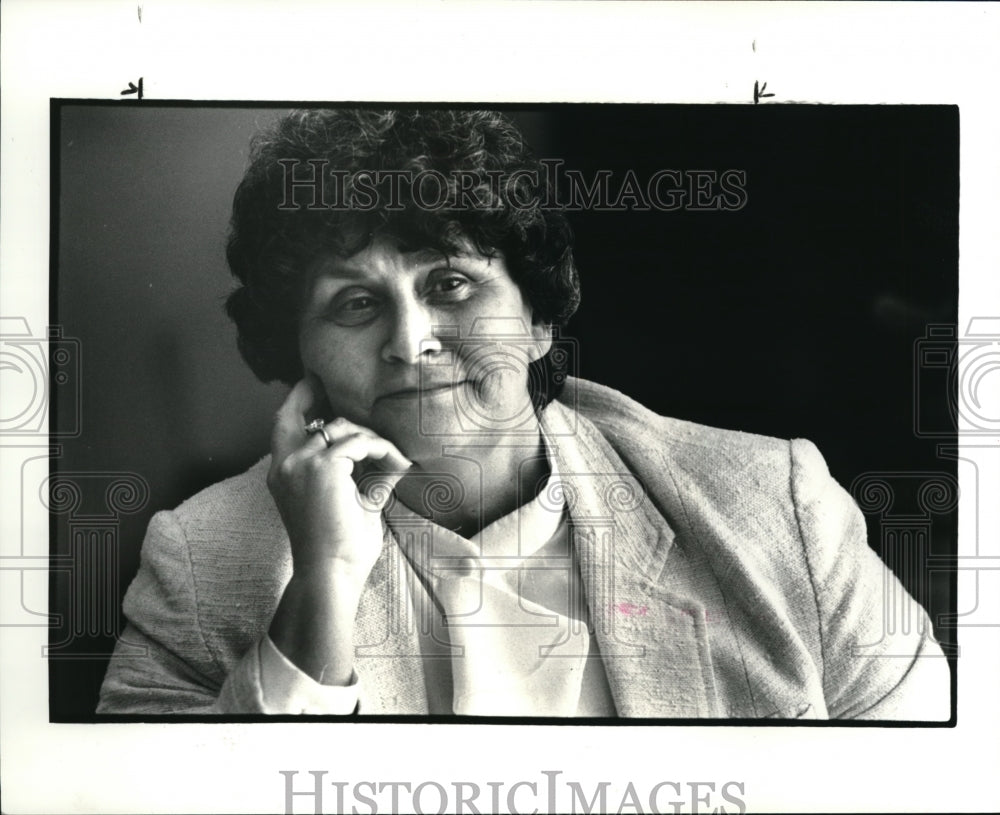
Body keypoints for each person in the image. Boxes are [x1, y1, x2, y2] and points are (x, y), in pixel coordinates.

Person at [97, 109, 949, 718]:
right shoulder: (201, 560)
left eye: (451, 284)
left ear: (539, 318)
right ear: (299, 358)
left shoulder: (774, 505)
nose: (411, 340)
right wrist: (320, 586)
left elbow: (930, 781)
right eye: (355, 305)